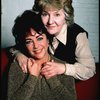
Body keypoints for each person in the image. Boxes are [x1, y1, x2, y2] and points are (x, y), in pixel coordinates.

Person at [10, 0, 95, 80]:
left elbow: (90, 70)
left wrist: (63, 68)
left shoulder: (78, 35)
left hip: (67, 86)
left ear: (66, 15)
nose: (50, 22)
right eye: (45, 14)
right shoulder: (41, 29)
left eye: (57, 14)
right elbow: (17, 46)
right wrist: (19, 55)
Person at [7, 10, 77, 100]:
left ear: (48, 40)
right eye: (29, 41)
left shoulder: (63, 67)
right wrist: (32, 78)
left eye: (39, 38)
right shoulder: (18, 66)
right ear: (24, 44)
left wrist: (52, 80)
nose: (36, 46)